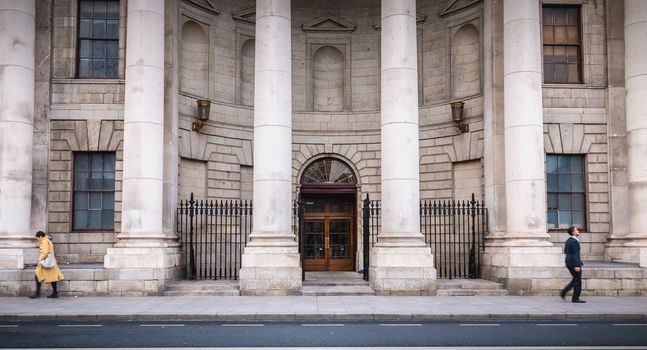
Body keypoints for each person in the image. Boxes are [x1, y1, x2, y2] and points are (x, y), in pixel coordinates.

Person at [29, 231, 64, 299]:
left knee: (37, 275)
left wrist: (39, 260)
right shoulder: (48, 240)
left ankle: (38, 293)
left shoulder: (44, 241)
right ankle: (55, 293)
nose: (37, 239)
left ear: (41, 236)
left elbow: (44, 253)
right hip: (50, 262)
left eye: (37, 238)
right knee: (53, 278)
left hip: (45, 262)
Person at [560, 226, 585, 303]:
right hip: (574, 263)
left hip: (569, 262)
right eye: (576, 230)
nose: (578, 231)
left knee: (575, 279)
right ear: (573, 232)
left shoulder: (568, 240)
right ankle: (575, 298)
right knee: (578, 281)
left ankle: (564, 291)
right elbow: (575, 254)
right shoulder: (574, 241)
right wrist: (577, 265)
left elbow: (566, 251)